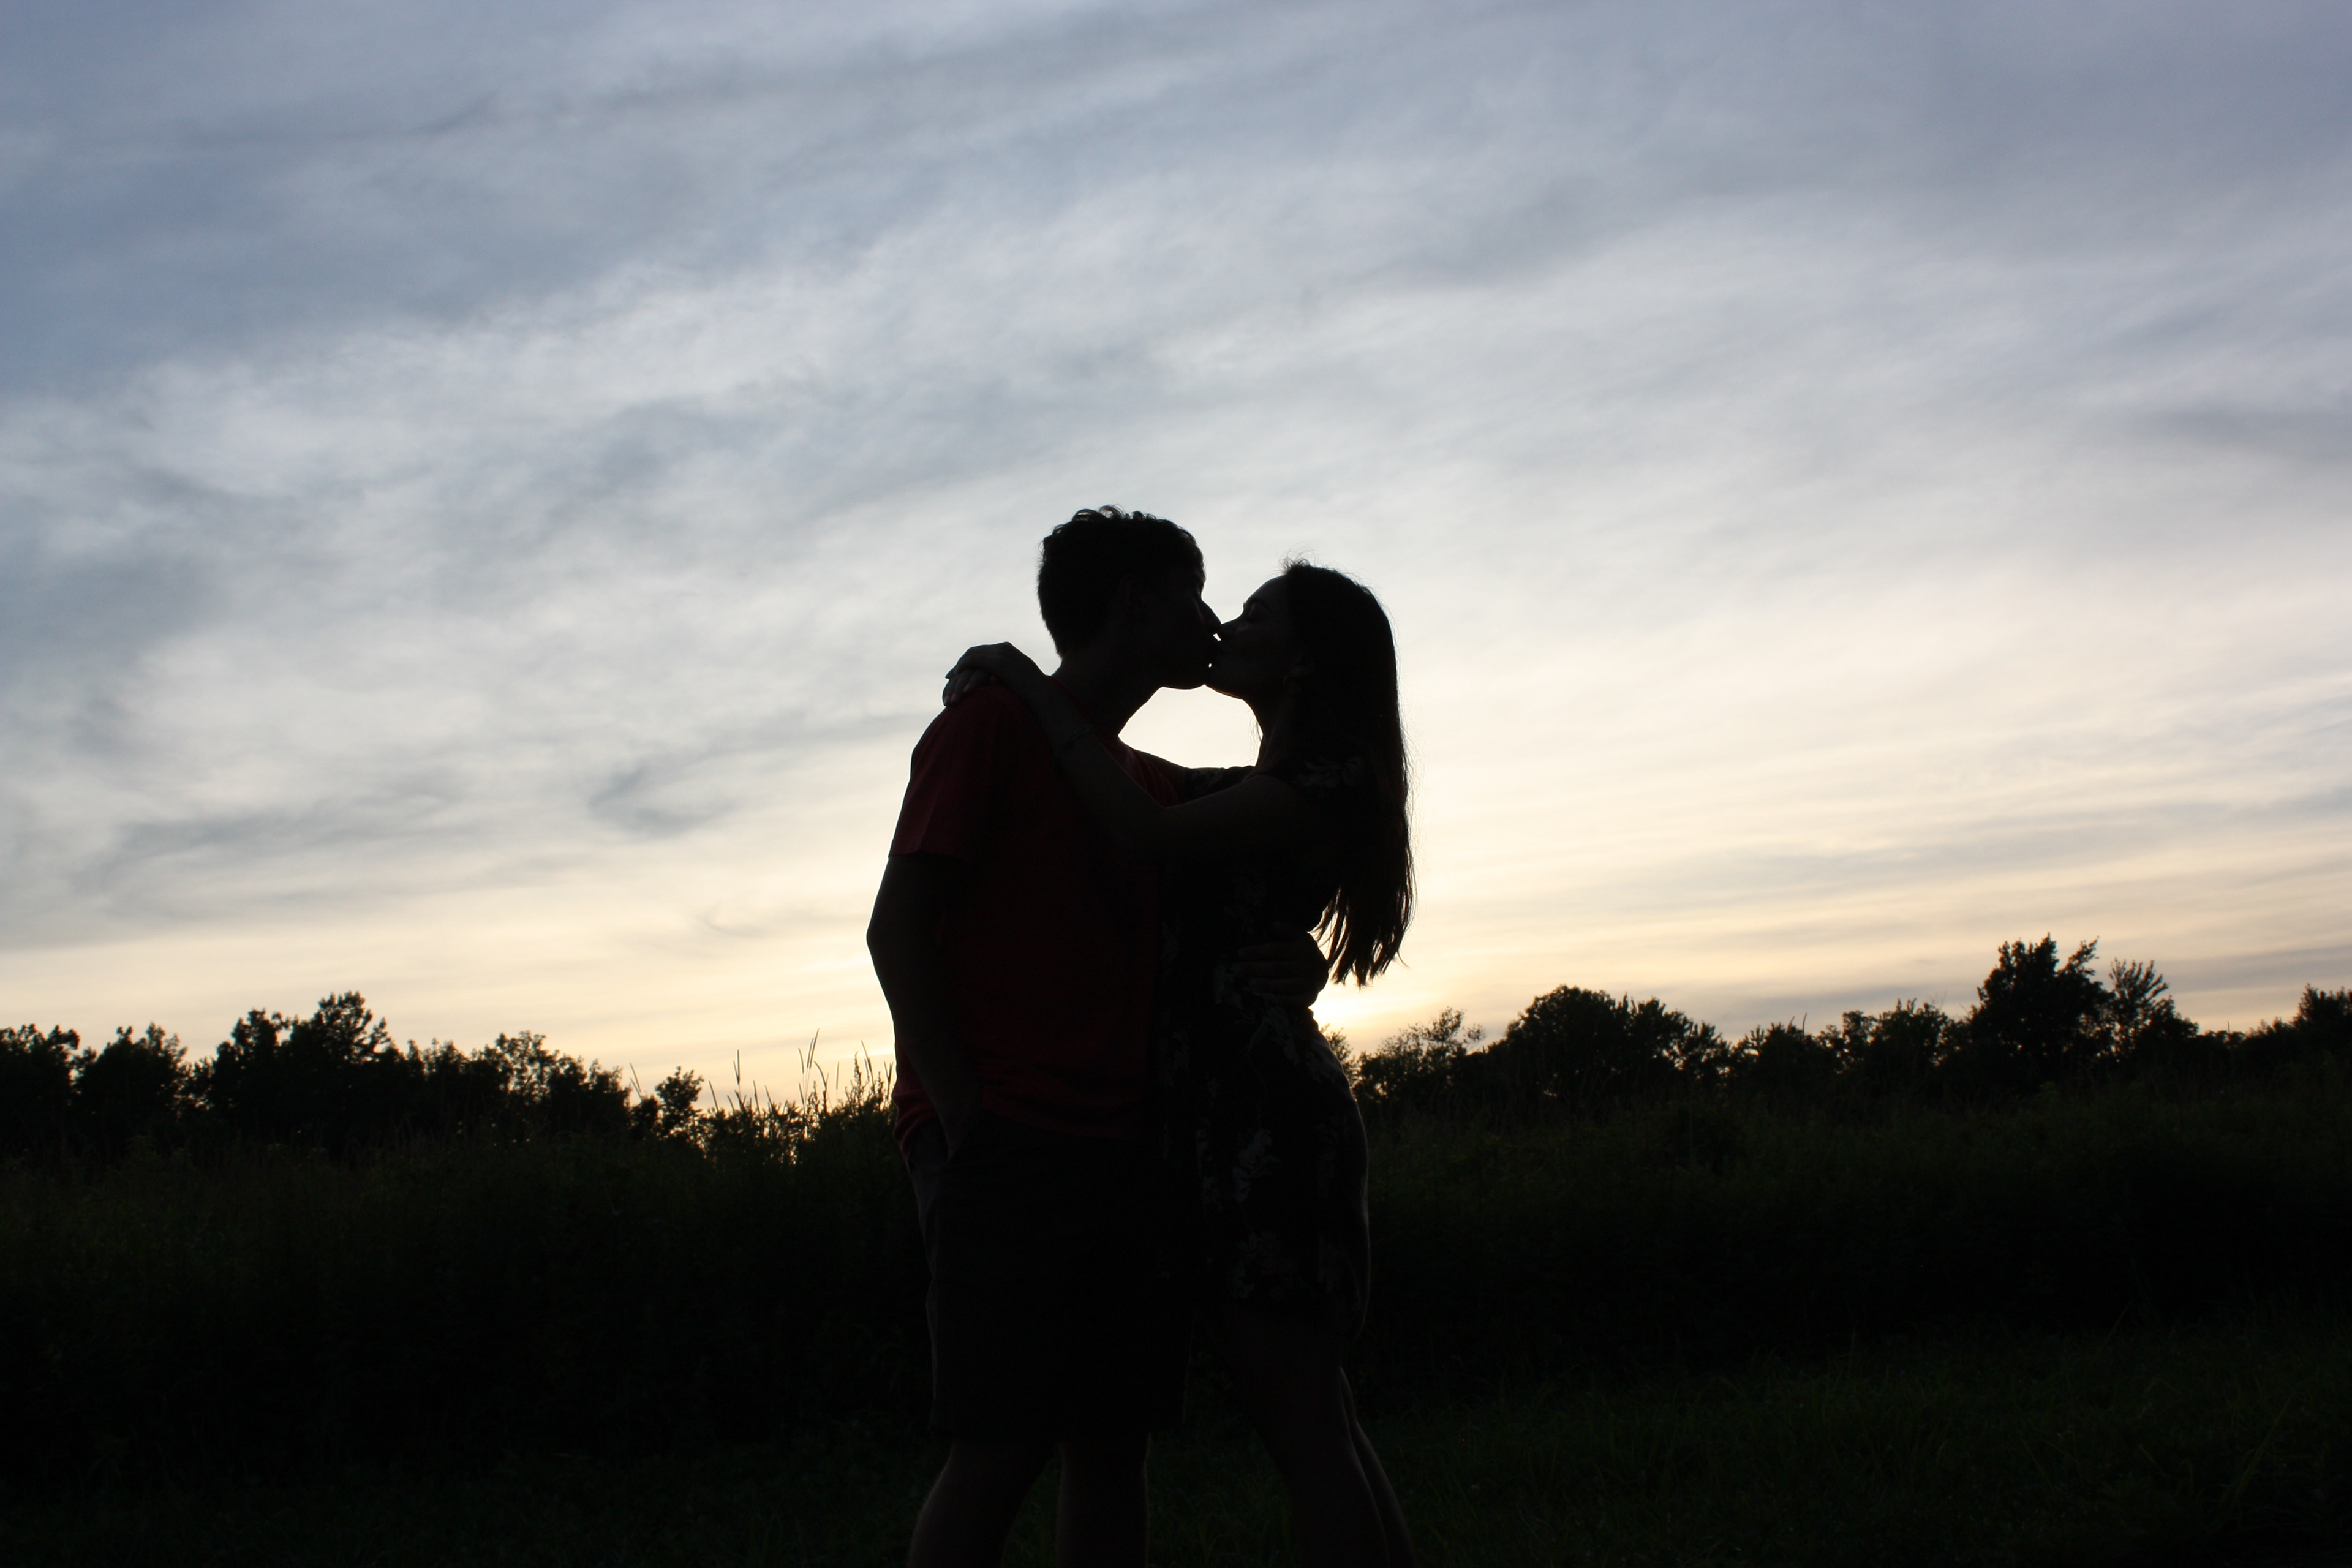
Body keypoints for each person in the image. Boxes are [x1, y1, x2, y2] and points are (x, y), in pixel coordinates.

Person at [865, 507, 1329, 1568]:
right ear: (1134, 602)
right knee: (1000, 1447)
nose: (1211, 621)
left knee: (1113, 1443)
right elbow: (898, 929)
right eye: (1193, 593)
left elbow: (1282, 830)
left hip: (1125, 1148)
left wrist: (1302, 958)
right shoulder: (987, 729)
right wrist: (966, 1117)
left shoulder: (1138, 783)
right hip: (1007, 1138)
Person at [944, 559, 1417, 1568]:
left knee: (1305, 1426)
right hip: (1224, 1120)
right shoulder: (1267, 784)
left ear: (1302, 661)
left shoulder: (1323, 777)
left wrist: (1026, 683)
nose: (1227, 626)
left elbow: (1143, 829)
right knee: (1319, 1416)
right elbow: (1127, 778)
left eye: (1253, 614)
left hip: (1264, 1128)